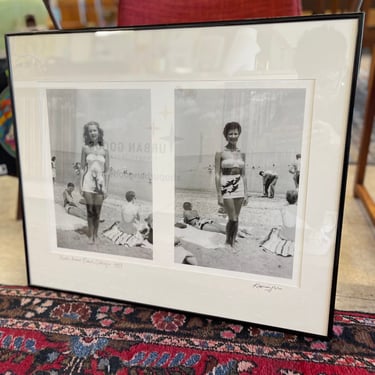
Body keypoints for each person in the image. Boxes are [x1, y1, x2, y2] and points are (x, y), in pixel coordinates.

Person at [215, 121, 248, 248]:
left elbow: (244, 175)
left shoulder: (242, 153)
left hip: (239, 184)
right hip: (226, 185)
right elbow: (217, 174)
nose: (233, 136)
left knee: (236, 217)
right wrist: (219, 194)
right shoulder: (220, 153)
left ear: (239, 134)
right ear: (226, 135)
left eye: (235, 133)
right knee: (232, 217)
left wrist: (246, 193)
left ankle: (232, 239)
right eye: (230, 133)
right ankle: (228, 243)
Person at [80, 121, 109, 244]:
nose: (93, 133)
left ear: (99, 132)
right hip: (87, 183)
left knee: (97, 211)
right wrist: (80, 186)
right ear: (88, 133)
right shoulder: (85, 148)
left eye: (94, 130)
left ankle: (96, 235)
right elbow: (82, 168)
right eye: (90, 131)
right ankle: (90, 234)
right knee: (89, 210)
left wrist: (106, 188)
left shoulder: (105, 149)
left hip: (100, 185)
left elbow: (107, 171)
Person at [259, 190, 298, 257]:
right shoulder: (299, 209)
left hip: (284, 235)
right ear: (297, 199)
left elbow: (280, 220)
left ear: (286, 199)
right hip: (295, 236)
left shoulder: (283, 208)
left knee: (275, 230)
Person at [182, 201, 250, 238]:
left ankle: (239, 234)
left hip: (199, 224)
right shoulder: (195, 211)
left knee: (219, 230)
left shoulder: (185, 213)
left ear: (184, 207)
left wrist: (186, 222)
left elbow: (188, 222)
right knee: (220, 226)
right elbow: (198, 218)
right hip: (205, 220)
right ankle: (240, 230)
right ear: (191, 206)